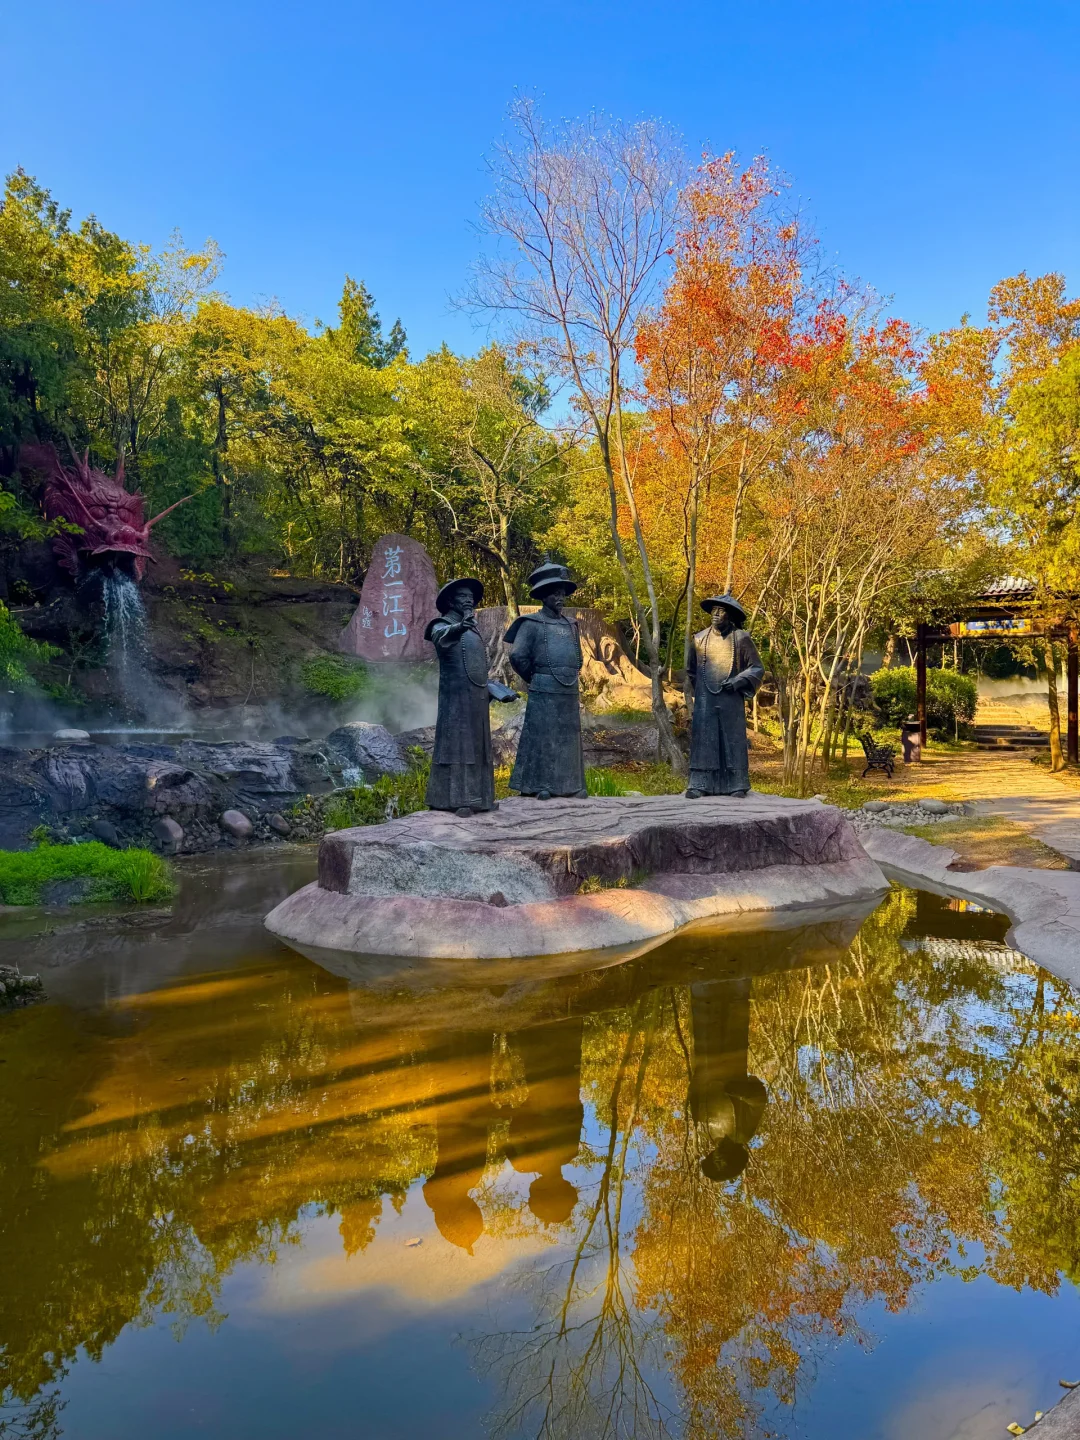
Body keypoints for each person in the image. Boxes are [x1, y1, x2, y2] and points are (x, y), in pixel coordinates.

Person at [425, 577, 515, 816]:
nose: (468, 600)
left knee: (479, 745)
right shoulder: (440, 624)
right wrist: (459, 627)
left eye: (470, 597)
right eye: (462, 596)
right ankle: (456, 800)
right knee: (457, 746)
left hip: (477, 696)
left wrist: (492, 688)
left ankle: (481, 798)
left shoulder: (473, 628)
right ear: (450, 601)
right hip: (455, 698)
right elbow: (440, 638)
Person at [503, 562, 587, 800]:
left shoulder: (571, 625)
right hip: (543, 687)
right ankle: (540, 784)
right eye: (554, 594)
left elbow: (578, 656)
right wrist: (534, 677)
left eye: (562, 594)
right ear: (543, 596)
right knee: (543, 736)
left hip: (568, 688)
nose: (560, 598)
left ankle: (570, 784)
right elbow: (517, 656)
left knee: (569, 736)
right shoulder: (530, 624)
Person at [686, 594, 764, 799]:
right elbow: (691, 671)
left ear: (730, 616)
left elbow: (757, 668)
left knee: (732, 739)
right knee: (704, 739)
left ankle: (737, 783)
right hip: (706, 700)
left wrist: (737, 681)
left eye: (721, 611)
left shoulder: (741, 638)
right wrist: (703, 693)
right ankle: (700, 783)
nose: (716, 614)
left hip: (731, 700)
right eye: (714, 610)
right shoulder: (699, 639)